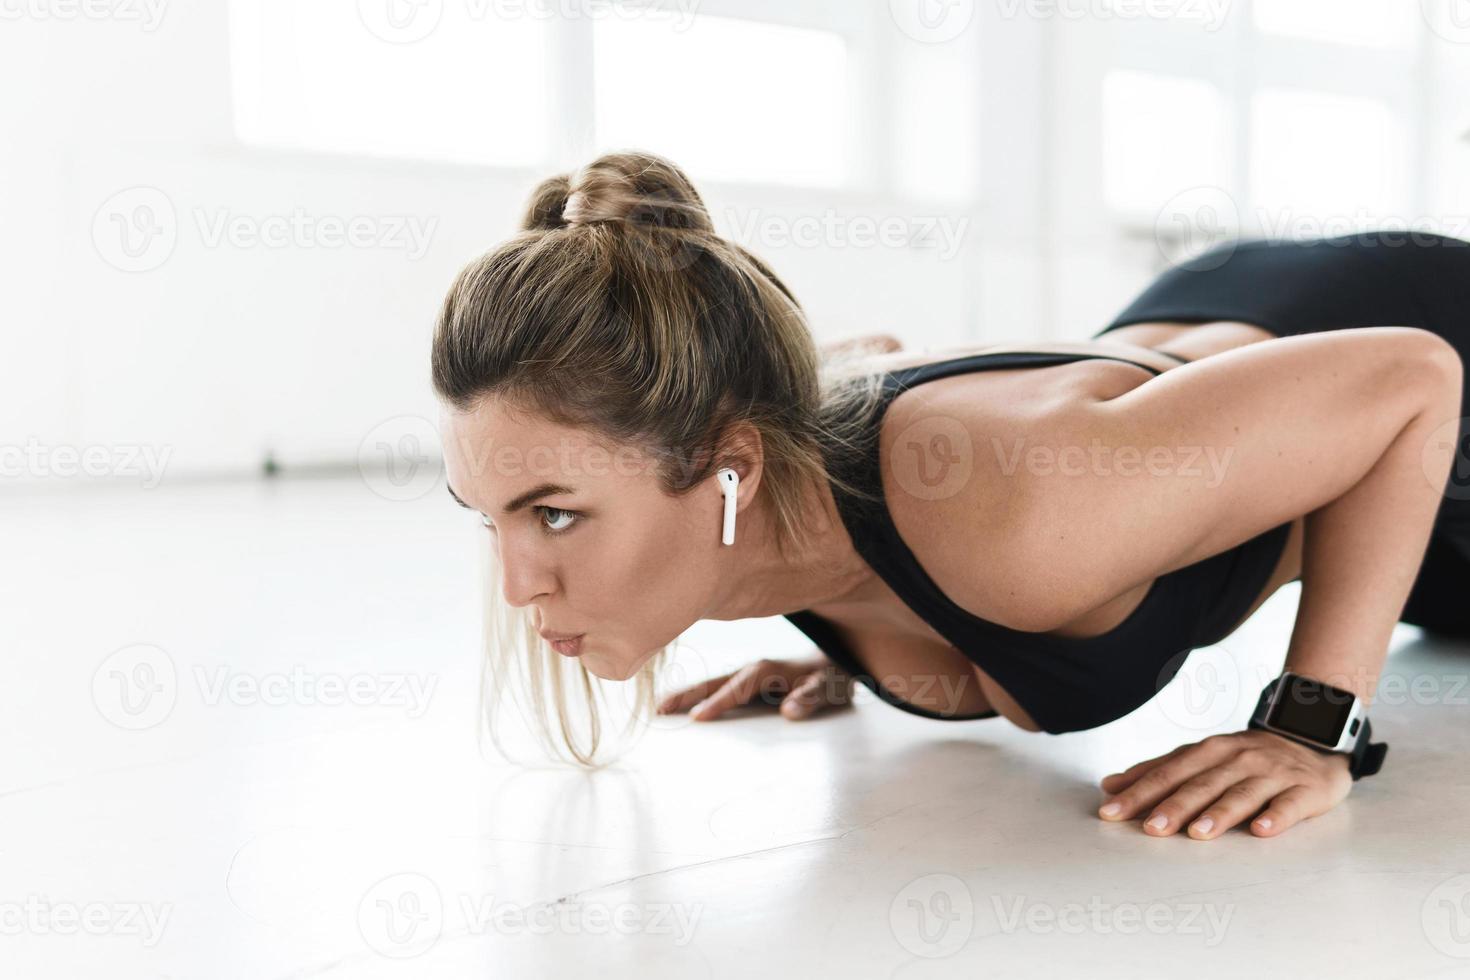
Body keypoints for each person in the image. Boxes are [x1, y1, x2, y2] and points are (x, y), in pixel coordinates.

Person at [433, 149, 1469, 840]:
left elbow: (1413, 380)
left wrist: (1308, 725)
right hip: (1217, 326)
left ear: (733, 470)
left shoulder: (1026, 511)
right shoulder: (762, 461)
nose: (518, 582)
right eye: (490, 516)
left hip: (1421, 388)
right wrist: (845, 630)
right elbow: (869, 356)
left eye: (555, 511)